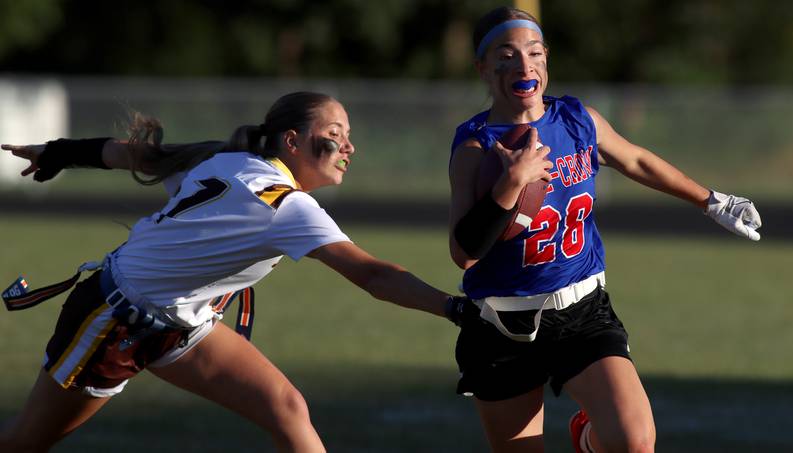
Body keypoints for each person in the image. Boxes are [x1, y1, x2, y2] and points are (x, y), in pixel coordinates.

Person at [0, 91, 475, 452]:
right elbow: (373, 276)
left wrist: (60, 151)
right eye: (335, 132)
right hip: (116, 321)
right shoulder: (285, 204)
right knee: (25, 444)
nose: (349, 146)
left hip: (182, 325)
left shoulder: (227, 159)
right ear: (291, 140)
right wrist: (456, 309)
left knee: (286, 407)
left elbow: (137, 155)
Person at [447, 7, 762, 453]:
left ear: (546, 58)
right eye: (506, 55)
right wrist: (511, 183)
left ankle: (589, 441)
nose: (523, 65)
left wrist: (711, 201)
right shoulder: (476, 146)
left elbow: (635, 160)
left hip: (582, 311)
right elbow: (464, 253)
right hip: (503, 326)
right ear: (482, 66)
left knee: (634, 442)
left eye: (534, 53)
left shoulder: (578, 120)